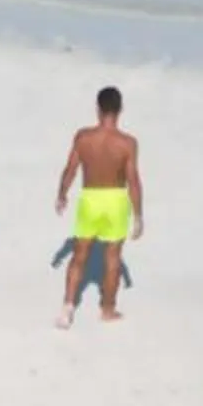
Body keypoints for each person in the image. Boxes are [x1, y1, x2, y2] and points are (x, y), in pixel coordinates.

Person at [56, 85, 143, 325]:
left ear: (97, 108)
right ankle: (107, 309)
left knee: (79, 255)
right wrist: (138, 215)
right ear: (120, 109)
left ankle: (67, 307)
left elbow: (70, 169)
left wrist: (62, 194)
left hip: (90, 198)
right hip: (115, 200)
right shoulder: (127, 143)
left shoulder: (83, 137)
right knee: (113, 257)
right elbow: (133, 180)